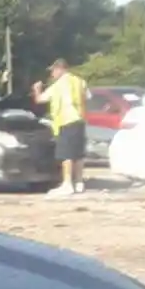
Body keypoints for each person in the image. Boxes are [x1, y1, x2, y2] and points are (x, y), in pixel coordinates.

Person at [32, 59, 88, 197]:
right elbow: (87, 97)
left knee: (66, 155)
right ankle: (79, 182)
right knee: (78, 154)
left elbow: (39, 100)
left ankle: (67, 183)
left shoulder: (58, 86)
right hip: (79, 120)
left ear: (60, 69)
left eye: (53, 71)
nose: (52, 74)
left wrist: (36, 89)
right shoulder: (80, 81)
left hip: (66, 121)